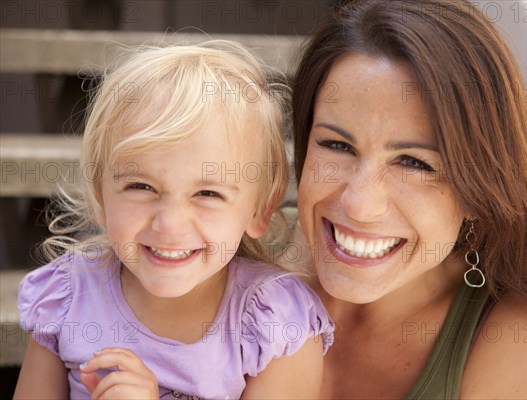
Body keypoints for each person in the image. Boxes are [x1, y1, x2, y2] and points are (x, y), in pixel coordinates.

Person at [281, 0, 527, 398]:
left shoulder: (514, 340)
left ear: (479, 187)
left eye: (414, 162)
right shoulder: (224, 252)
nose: (360, 204)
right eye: (337, 145)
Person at [14, 40, 333, 399]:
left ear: (259, 211)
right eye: (141, 186)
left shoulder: (273, 325)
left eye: (208, 194)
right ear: (100, 197)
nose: (169, 225)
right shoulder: (68, 298)